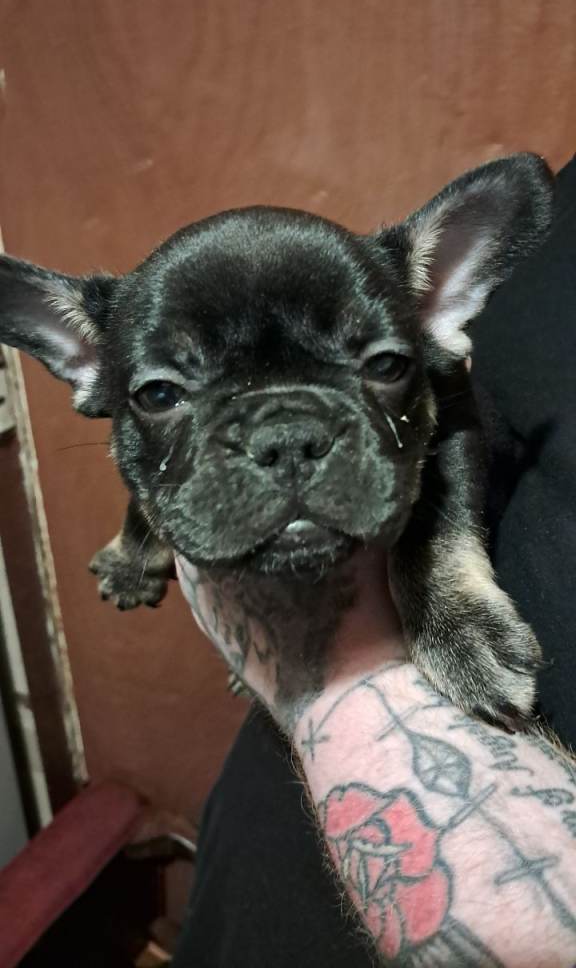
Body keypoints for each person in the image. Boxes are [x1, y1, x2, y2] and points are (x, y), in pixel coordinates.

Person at [172, 155, 576, 968]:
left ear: (441, 303)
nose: (285, 444)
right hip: (261, 844)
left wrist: (432, 588)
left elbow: (453, 409)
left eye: (382, 363)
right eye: (161, 390)